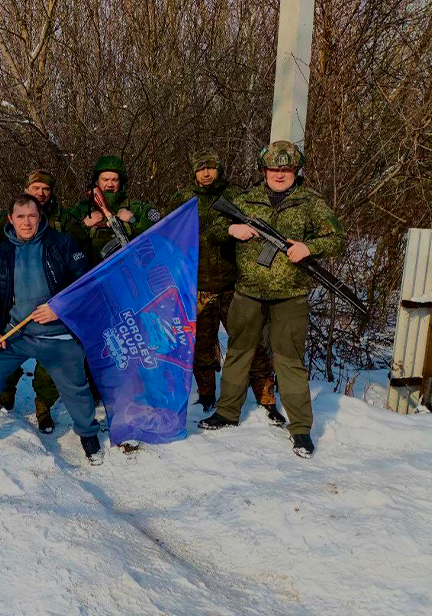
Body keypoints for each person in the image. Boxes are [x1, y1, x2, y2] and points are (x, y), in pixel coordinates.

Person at [198, 141, 346, 458]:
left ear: (295, 171)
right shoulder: (245, 199)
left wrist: (310, 248)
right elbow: (211, 228)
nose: (279, 175)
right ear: (264, 170)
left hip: (290, 297)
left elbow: (338, 239)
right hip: (248, 291)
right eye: (274, 169)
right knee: (238, 352)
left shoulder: (311, 202)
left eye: (286, 169)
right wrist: (232, 229)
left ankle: (301, 429)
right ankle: (226, 412)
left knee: (290, 360)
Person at [0, 195, 104, 465]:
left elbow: (85, 283)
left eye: (31, 215)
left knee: (76, 388)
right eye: (20, 216)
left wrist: (60, 307)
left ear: (40, 216)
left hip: (59, 335)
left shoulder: (61, 243)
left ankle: (88, 436)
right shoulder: (2, 252)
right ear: (10, 218)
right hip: (17, 333)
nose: (26, 222)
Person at [170, 149, 282, 424]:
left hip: (236, 285)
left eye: (211, 168)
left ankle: (266, 399)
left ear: (219, 169)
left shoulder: (237, 196)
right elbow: (169, 234)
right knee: (201, 345)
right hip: (199, 286)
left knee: (251, 342)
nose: (206, 173)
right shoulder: (184, 199)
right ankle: (207, 395)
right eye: (200, 168)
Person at [0, 170, 74, 433]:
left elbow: (76, 257)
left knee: (49, 360)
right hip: (15, 301)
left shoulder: (66, 220)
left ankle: (44, 405)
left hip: (53, 305)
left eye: (46, 188)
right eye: (35, 187)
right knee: (7, 346)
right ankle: (5, 394)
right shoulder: (9, 215)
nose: (41, 192)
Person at [66, 154, 160, 265]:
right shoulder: (82, 209)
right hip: (96, 276)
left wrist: (133, 220)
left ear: (120, 182)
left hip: (131, 269)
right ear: (96, 182)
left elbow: (159, 231)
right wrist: (84, 225)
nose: (110, 184)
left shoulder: (137, 207)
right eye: (105, 179)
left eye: (114, 180)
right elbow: (65, 243)